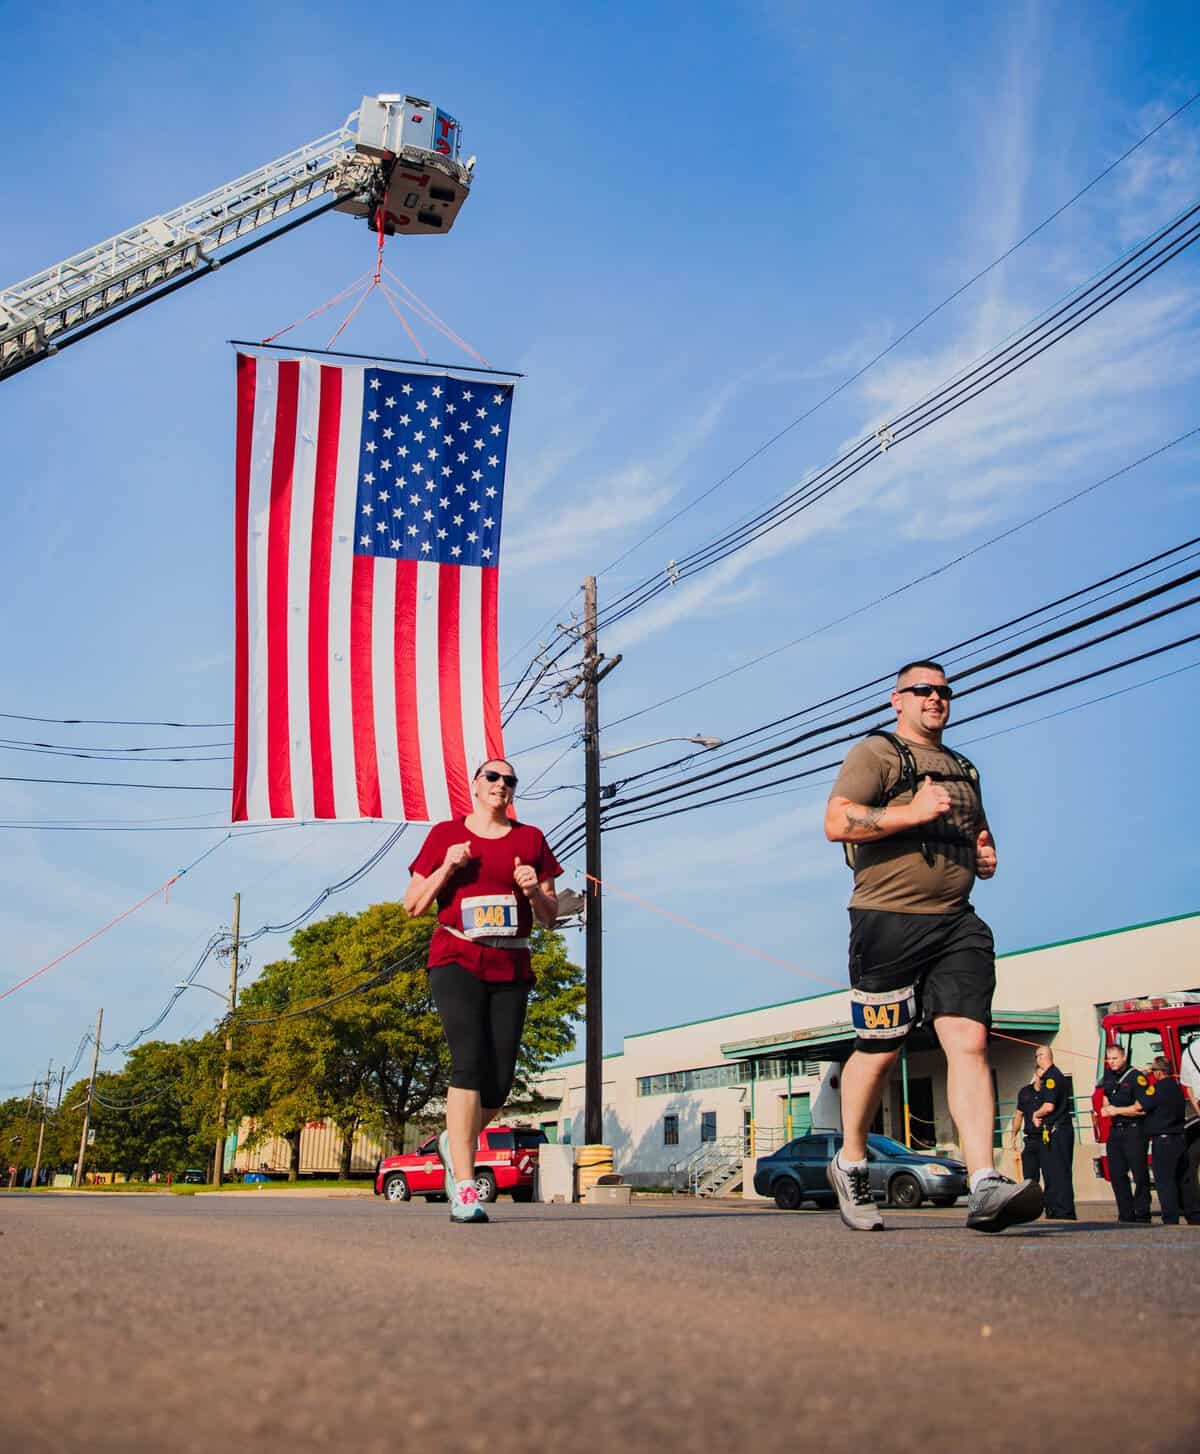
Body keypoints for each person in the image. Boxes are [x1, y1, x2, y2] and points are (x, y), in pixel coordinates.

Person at [824, 659, 1042, 1233]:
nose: (936, 698)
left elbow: (978, 838)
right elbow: (837, 821)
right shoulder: (877, 753)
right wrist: (910, 812)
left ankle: (983, 1183)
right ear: (897, 699)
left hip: (957, 923)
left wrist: (985, 858)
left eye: (943, 691)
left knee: (968, 1042)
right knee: (881, 1048)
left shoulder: (965, 768)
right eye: (922, 690)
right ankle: (850, 1161)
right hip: (887, 920)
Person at [405, 758, 561, 1224]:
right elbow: (413, 906)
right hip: (456, 956)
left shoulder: (530, 839)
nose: (501, 785)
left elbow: (550, 917)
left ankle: (456, 1148)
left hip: (511, 961)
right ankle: (466, 1187)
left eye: (509, 780)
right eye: (492, 777)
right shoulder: (444, 836)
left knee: (499, 1079)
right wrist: (448, 868)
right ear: (475, 785)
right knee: (468, 1061)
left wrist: (534, 892)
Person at [1097, 1043, 1152, 1224]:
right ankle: (1126, 1214)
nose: (1111, 1062)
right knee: (1117, 1174)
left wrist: (1117, 1110)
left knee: (1139, 1173)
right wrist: (1106, 1107)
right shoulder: (1108, 1076)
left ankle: (1143, 1213)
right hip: (1116, 1131)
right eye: (1109, 1059)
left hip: (1134, 1130)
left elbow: (1141, 1109)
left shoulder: (1136, 1077)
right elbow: (1105, 1096)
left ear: (1123, 1058)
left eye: (1115, 1058)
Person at [1142, 1056, 1199, 1226]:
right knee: (1183, 1179)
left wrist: (1144, 1080)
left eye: (1153, 1071)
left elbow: (1141, 1105)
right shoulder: (1176, 1087)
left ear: (1158, 1073)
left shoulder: (1157, 1088)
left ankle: (1170, 1219)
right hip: (1179, 1139)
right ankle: (1194, 1216)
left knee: (1165, 1181)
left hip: (1164, 1141)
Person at [1028, 1044, 1076, 1220]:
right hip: (1054, 1130)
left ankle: (1063, 1210)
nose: (1036, 1060)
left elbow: (1048, 1106)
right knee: (1053, 1171)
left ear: (1042, 1057)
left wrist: (1036, 1114)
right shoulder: (1056, 1075)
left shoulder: (1051, 1078)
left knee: (1059, 1172)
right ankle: (1055, 1208)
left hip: (1059, 1129)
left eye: (1037, 1057)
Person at [1011, 1070, 1044, 1185]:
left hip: (1047, 1139)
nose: (1042, 1080)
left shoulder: (1050, 1092)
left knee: (1052, 1177)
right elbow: (1019, 1115)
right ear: (1035, 1075)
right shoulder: (1025, 1092)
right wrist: (1014, 1135)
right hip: (1031, 1139)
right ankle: (1034, 1200)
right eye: (1040, 1077)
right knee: (1030, 1180)